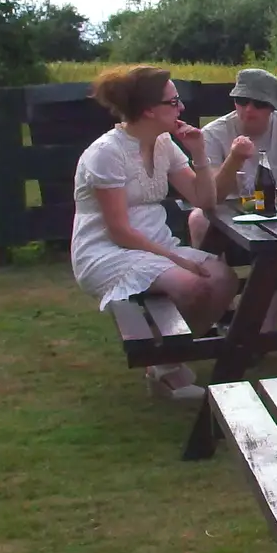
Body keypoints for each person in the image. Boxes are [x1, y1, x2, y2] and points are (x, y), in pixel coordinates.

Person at [71, 65, 239, 402]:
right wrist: (177, 258)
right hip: (107, 251)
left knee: (223, 280)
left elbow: (203, 199)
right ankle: (166, 367)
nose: (181, 109)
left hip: (155, 245)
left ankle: (164, 360)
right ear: (149, 109)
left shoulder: (163, 144)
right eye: (173, 102)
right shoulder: (106, 153)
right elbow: (119, 230)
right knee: (191, 284)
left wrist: (200, 154)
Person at [186, 69, 277, 334]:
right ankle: (220, 309)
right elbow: (210, 196)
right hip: (226, 217)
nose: (249, 109)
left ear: (273, 107)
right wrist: (235, 159)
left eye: (259, 104)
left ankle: (265, 325)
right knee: (197, 219)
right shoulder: (214, 134)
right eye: (242, 101)